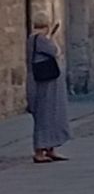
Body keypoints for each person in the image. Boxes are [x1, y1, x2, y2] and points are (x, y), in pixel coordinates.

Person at [27, 11, 71, 164]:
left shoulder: (32, 39)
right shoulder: (40, 39)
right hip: (46, 84)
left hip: (43, 82)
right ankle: (40, 151)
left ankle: (50, 148)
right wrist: (52, 38)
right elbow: (55, 51)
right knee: (45, 115)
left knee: (50, 114)